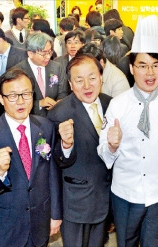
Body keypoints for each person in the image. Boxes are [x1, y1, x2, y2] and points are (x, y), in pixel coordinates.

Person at [97, 15, 158, 247]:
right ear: (131, 68)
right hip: (125, 192)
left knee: (153, 243)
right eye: (142, 66)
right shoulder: (118, 103)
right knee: (126, 243)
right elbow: (103, 153)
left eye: (155, 65)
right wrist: (111, 144)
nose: (150, 73)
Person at [0, 68, 62, 247]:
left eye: (26, 94)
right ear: (0, 99)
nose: (20, 101)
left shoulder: (46, 127)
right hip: (5, 230)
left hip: (39, 223)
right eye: (12, 95)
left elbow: (52, 173)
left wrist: (55, 214)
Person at [47, 54, 112, 247]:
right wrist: (66, 146)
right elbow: (55, 164)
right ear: (70, 83)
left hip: (107, 198)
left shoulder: (113, 104)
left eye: (92, 78)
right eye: (79, 80)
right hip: (76, 203)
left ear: (101, 77)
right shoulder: (59, 113)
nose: (87, 85)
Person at [12, 33, 70, 117]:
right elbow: (15, 102)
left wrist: (59, 103)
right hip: (31, 118)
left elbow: (63, 92)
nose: (48, 57)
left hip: (55, 116)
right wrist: (39, 103)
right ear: (30, 54)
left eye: (50, 52)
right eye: (44, 54)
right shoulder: (18, 72)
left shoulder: (57, 67)